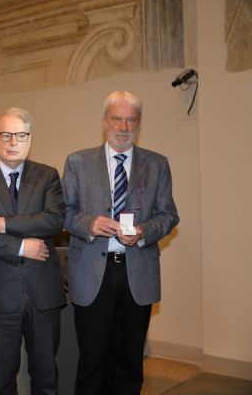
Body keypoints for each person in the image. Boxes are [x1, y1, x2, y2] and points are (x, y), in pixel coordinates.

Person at [62, 91, 179, 395]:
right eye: (117, 119)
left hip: (137, 272)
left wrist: (143, 231)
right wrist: (90, 224)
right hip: (92, 274)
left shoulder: (157, 164)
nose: (124, 127)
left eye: (131, 120)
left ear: (139, 123)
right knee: (92, 364)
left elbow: (169, 215)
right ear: (105, 121)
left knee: (130, 364)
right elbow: (64, 213)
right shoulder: (77, 162)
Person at [0, 107, 66, 395]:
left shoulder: (48, 175)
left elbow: (54, 220)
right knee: (3, 382)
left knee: (46, 378)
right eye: (6, 135)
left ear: (30, 139)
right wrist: (22, 246)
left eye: (21, 135)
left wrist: (6, 223)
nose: (13, 142)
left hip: (43, 294)